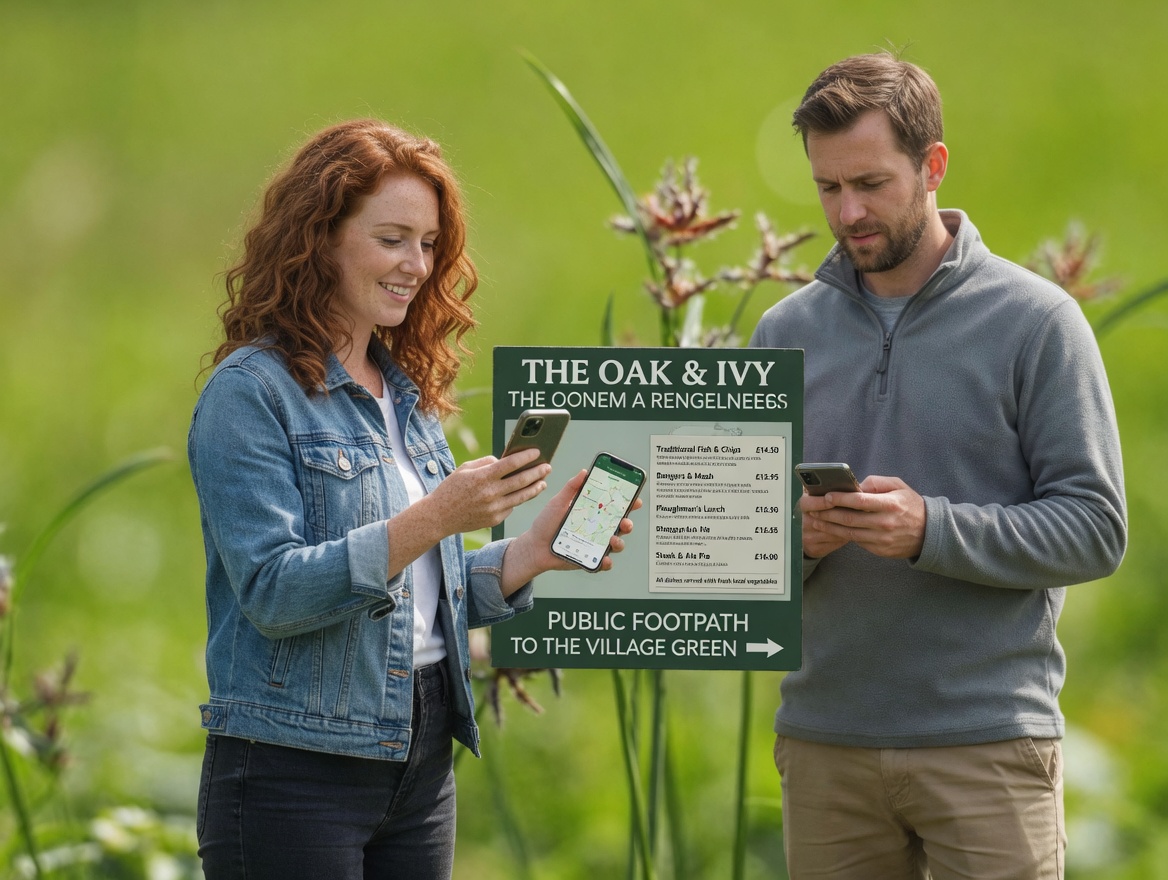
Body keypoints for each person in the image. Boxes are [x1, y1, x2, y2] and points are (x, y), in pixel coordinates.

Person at [188, 119, 637, 880]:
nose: (417, 266)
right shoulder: (251, 393)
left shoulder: (405, 395)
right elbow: (273, 591)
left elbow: (418, 594)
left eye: (429, 244)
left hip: (421, 759)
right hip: (295, 771)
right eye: (393, 238)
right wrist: (439, 515)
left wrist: (532, 554)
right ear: (320, 239)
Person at [749, 54, 1126, 879]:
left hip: (988, 746)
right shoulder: (783, 335)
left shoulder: (1037, 324)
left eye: (871, 183)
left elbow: (1096, 529)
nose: (847, 212)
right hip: (825, 747)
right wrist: (800, 542)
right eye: (826, 188)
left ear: (934, 165)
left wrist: (931, 530)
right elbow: (742, 553)